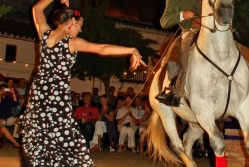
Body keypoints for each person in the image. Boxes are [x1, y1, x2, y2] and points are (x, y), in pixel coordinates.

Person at [20, 0, 145, 166]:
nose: (81, 29)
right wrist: (131, 49)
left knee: (42, 136)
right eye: (79, 25)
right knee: (64, 139)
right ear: (71, 22)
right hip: (57, 98)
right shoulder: (71, 42)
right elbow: (102, 49)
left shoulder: (44, 34)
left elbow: (36, 8)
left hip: (39, 95)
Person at [156, 0, 202, 107]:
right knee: (173, 54)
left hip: (211, 30)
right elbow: (164, 22)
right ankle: (172, 89)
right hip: (189, 32)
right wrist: (182, 15)